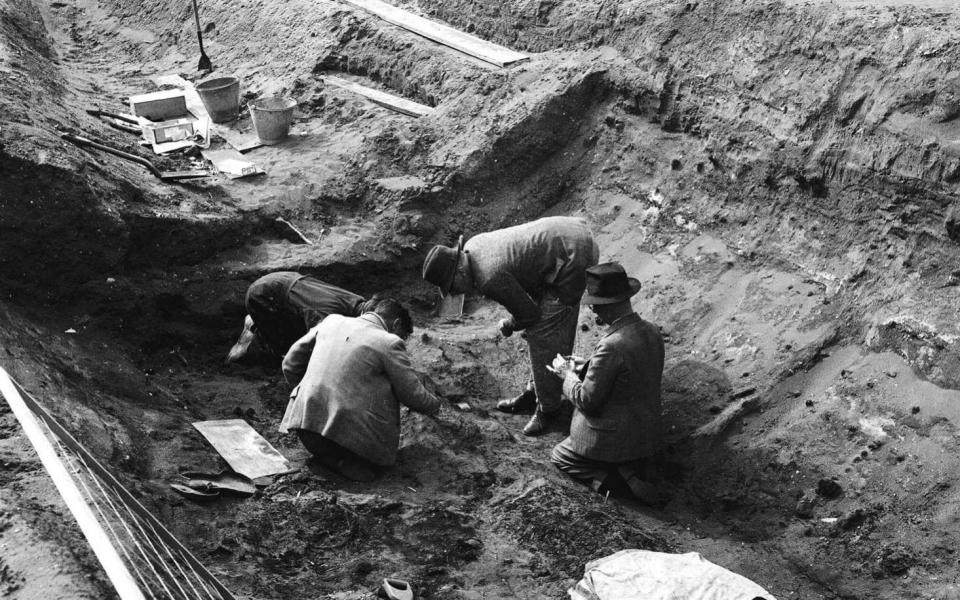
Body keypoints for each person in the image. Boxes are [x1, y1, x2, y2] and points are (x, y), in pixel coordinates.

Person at [421, 216, 599, 436]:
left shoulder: (488, 276)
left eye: (453, 287)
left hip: (575, 256)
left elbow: (530, 315)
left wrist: (510, 324)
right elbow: (525, 275)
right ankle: (535, 393)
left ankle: (549, 410)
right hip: (565, 237)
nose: (458, 293)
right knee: (541, 329)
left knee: (544, 333)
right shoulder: (472, 246)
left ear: (459, 271)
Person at [278, 297, 441, 481]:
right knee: (385, 388)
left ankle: (331, 458)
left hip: (304, 427)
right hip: (346, 440)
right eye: (403, 334)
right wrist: (436, 405)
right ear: (396, 324)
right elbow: (411, 395)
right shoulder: (388, 341)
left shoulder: (332, 321)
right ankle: (343, 460)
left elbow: (289, 363)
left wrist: (307, 391)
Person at [548, 262, 665, 504]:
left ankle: (613, 479)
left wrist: (566, 375)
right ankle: (628, 469)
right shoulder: (652, 331)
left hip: (612, 439)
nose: (593, 311)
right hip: (645, 435)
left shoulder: (611, 345)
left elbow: (587, 400)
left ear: (607, 306)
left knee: (559, 455)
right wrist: (588, 365)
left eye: (594, 305)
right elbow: (629, 374)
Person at [226, 272, 367, 364]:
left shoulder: (357, 301)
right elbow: (319, 346)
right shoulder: (327, 314)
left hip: (284, 283)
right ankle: (253, 330)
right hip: (264, 295)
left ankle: (256, 323)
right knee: (288, 352)